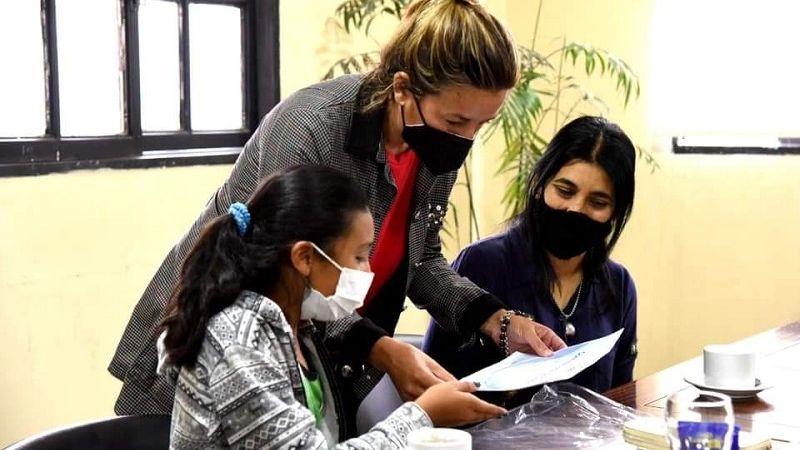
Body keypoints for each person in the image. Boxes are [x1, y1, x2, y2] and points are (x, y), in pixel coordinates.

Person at [110, 0, 565, 421]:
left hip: (315, 356)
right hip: (218, 344)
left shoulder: (432, 146)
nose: (466, 139)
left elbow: (422, 257)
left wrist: (497, 320)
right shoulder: (311, 128)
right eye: (456, 121)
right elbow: (283, 275)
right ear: (402, 89)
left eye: (482, 124)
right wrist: (382, 349)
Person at [158, 165, 506, 449]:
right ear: (305, 257)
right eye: (359, 256)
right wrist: (422, 415)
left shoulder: (300, 329)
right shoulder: (238, 340)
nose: (368, 271)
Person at [423, 116, 639, 408]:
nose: (576, 209)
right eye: (565, 191)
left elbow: (620, 401)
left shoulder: (619, 285)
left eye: (598, 203)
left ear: (615, 212)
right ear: (539, 183)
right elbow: (433, 387)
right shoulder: (481, 264)